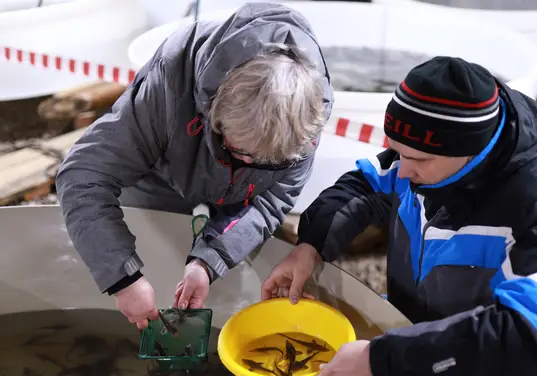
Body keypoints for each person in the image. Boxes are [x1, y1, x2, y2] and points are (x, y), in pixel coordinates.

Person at [261, 56, 537, 376]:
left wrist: (383, 361)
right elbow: (362, 186)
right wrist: (311, 245)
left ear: (470, 151)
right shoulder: (425, 157)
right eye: (397, 152)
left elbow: (529, 334)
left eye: (416, 159)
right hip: (424, 357)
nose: (401, 169)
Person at [55, 2, 333, 329]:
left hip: (239, 200)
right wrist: (122, 278)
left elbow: (271, 201)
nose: (246, 161)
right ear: (213, 110)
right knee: (145, 273)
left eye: (263, 161)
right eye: (238, 150)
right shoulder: (171, 81)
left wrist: (207, 262)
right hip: (161, 175)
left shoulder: (305, 117)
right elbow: (83, 176)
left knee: (225, 286)